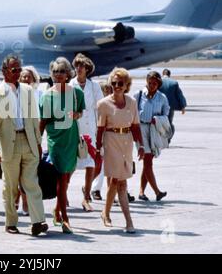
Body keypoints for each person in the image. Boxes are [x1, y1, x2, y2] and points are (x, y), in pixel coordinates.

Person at [0, 55, 48, 236]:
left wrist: (38, 142)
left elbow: (34, 119)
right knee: (11, 186)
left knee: (32, 183)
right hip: (7, 145)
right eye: (14, 70)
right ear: (5, 71)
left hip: (28, 141)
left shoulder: (28, 91)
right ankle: (11, 222)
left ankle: (38, 221)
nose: (18, 73)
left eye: (20, 69)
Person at [95, 67, 145, 234]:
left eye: (120, 83)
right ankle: (129, 222)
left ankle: (105, 213)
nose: (116, 86)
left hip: (127, 141)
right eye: (114, 83)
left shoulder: (132, 102)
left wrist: (141, 145)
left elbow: (136, 125)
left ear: (126, 85)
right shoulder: (103, 104)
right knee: (120, 182)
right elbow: (100, 128)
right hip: (111, 141)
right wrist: (97, 147)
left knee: (115, 182)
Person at [40, 57, 85, 234]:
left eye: (62, 71)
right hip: (56, 141)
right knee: (60, 179)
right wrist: (37, 141)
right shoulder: (47, 95)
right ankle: (65, 218)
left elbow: (81, 111)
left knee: (66, 179)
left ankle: (58, 211)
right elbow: (43, 121)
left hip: (71, 139)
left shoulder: (76, 93)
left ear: (68, 74)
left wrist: (77, 115)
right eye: (55, 71)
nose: (58, 74)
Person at [69, 53, 104, 212]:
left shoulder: (94, 86)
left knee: (91, 164)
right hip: (74, 128)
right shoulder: (70, 85)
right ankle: (63, 193)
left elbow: (101, 108)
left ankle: (86, 197)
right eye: (76, 65)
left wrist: (101, 130)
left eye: (82, 66)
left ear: (87, 68)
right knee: (70, 165)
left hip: (90, 129)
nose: (79, 68)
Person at [134, 71, 171, 202]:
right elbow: (132, 113)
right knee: (148, 160)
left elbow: (166, 113)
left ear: (159, 84)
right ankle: (157, 191)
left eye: (155, 83)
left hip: (154, 129)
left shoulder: (162, 98)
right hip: (141, 129)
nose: (152, 86)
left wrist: (158, 119)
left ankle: (141, 192)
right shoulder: (138, 95)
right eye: (150, 83)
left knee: (148, 162)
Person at [16, 65, 42, 216]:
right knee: (17, 172)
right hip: (17, 136)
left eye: (28, 77)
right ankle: (17, 200)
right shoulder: (14, 93)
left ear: (34, 79)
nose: (26, 79)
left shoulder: (38, 94)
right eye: (23, 76)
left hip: (33, 137)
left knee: (29, 173)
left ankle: (26, 202)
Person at [159, 69, 187, 143]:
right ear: (169, 75)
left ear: (162, 74)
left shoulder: (158, 82)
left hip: (159, 106)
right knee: (169, 123)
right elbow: (179, 95)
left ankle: (160, 138)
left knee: (159, 122)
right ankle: (168, 139)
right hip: (170, 107)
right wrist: (183, 106)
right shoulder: (174, 83)